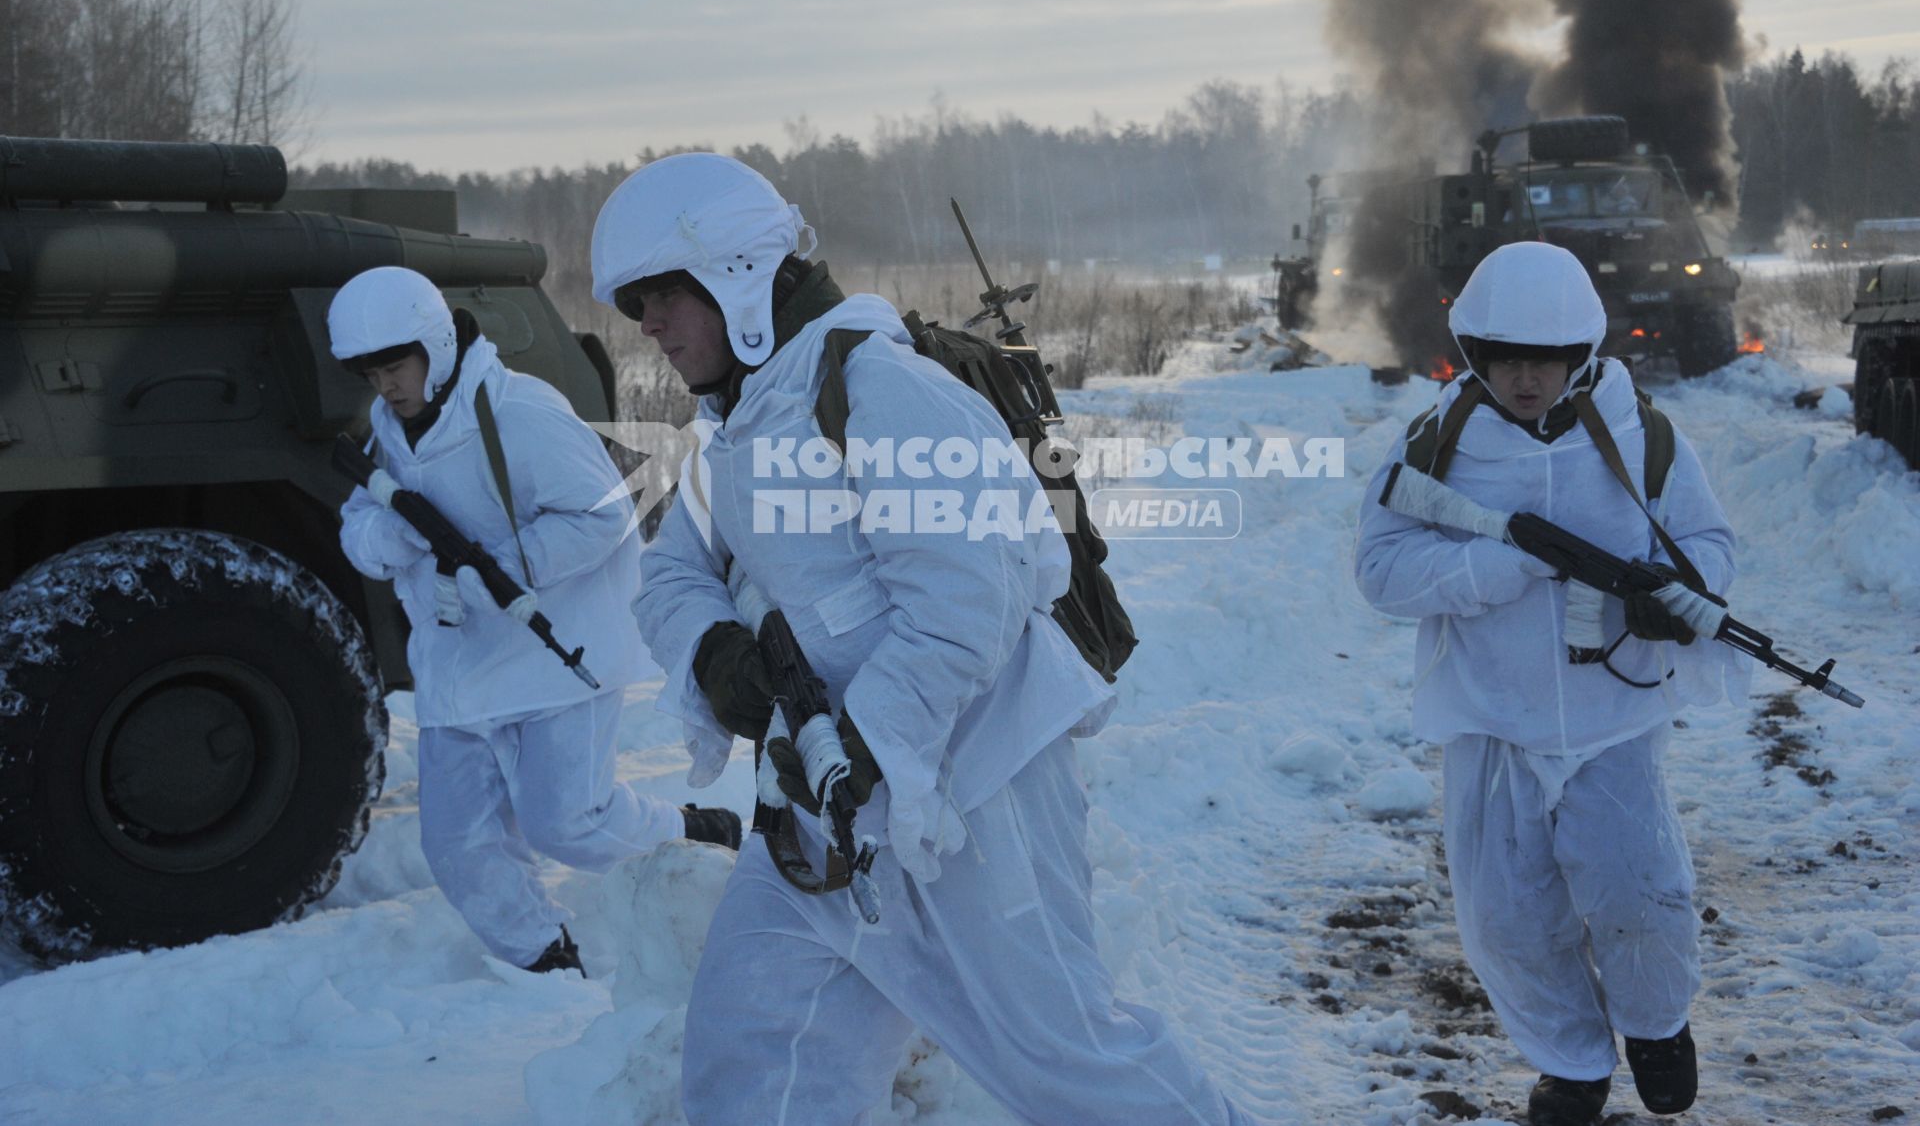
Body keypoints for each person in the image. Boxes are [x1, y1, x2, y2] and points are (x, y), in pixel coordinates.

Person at [593, 153, 1253, 1125]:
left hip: (978, 803)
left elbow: (966, 602)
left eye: (659, 295)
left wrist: (865, 745)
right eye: (634, 303)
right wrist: (720, 661)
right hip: (824, 809)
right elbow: (675, 572)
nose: (645, 324)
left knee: (1071, 1060)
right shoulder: (735, 429)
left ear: (735, 277)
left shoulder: (883, 392)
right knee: (755, 1043)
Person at [1354, 241, 1752, 1126]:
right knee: (1507, 918)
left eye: (1543, 360)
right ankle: (1571, 1065)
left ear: (1579, 357)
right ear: (1475, 354)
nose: (1523, 379)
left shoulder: (1640, 431)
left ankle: (1655, 1026)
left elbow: (1709, 540)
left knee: (1641, 890)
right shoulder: (1438, 441)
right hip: (1490, 717)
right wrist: (1494, 567)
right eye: (1504, 360)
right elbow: (1380, 567)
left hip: (1615, 715)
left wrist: (1681, 591)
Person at [329, 265, 740, 976]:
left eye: (396, 367)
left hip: (556, 657)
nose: (387, 387)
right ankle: (543, 954)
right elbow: (361, 525)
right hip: (457, 668)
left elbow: (607, 514)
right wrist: (389, 542)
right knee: (456, 841)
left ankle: (696, 832)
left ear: (436, 346)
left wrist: (501, 571)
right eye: (373, 374)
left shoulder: (521, 413)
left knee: (568, 824)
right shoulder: (387, 433)